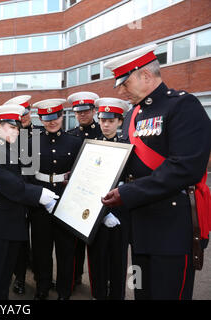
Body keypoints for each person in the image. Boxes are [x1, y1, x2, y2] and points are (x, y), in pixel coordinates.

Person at [102, 44, 211, 300]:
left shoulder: (183, 106)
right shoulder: (132, 116)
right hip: (138, 228)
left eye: (124, 83)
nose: (120, 90)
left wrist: (127, 193)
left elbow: (185, 168)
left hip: (171, 229)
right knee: (142, 293)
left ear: (146, 76)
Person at [0, 103, 59, 300]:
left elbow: (22, 178)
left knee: (4, 275)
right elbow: (8, 182)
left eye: (17, 127)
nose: (16, 131)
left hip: (10, 218)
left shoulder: (9, 146)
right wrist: (39, 195)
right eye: (11, 127)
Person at [28, 99, 83, 300]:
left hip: (65, 200)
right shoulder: (32, 142)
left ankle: (64, 290)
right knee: (41, 248)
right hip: (40, 200)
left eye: (56, 117)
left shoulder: (75, 142)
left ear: (62, 116)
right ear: (41, 119)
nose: (52, 122)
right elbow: (27, 175)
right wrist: (35, 197)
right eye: (47, 118)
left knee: (66, 249)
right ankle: (42, 286)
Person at [86, 98, 130, 300]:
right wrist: (102, 212)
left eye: (111, 121)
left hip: (120, 214)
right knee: (97, 260)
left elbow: (130, 182)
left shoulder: (128, 147)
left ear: (120, 122)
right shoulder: (91, 147)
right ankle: (98, 296)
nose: (105, 124)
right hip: (95, 213)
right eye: (102, 120)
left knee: (118, 261)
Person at [66, 91, 102, 287]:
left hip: (98, 193)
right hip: (78, 193)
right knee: (75, 241)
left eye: (86, 111)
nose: (82, 115)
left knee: (95, 243)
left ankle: (97, 283)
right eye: (78, 112)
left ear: (94, 111)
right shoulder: (71, 135)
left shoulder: (102, 133)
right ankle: (75, 276)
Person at [3, 95, 34, 295]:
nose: (22, 118)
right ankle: (19, 277)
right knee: (17, 239)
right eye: (19, 115)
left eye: (25, 113)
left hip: (34, 191)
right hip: (15, 193)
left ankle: (28, 273)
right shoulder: (9, 137)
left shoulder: (38, 134)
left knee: (31, 240)